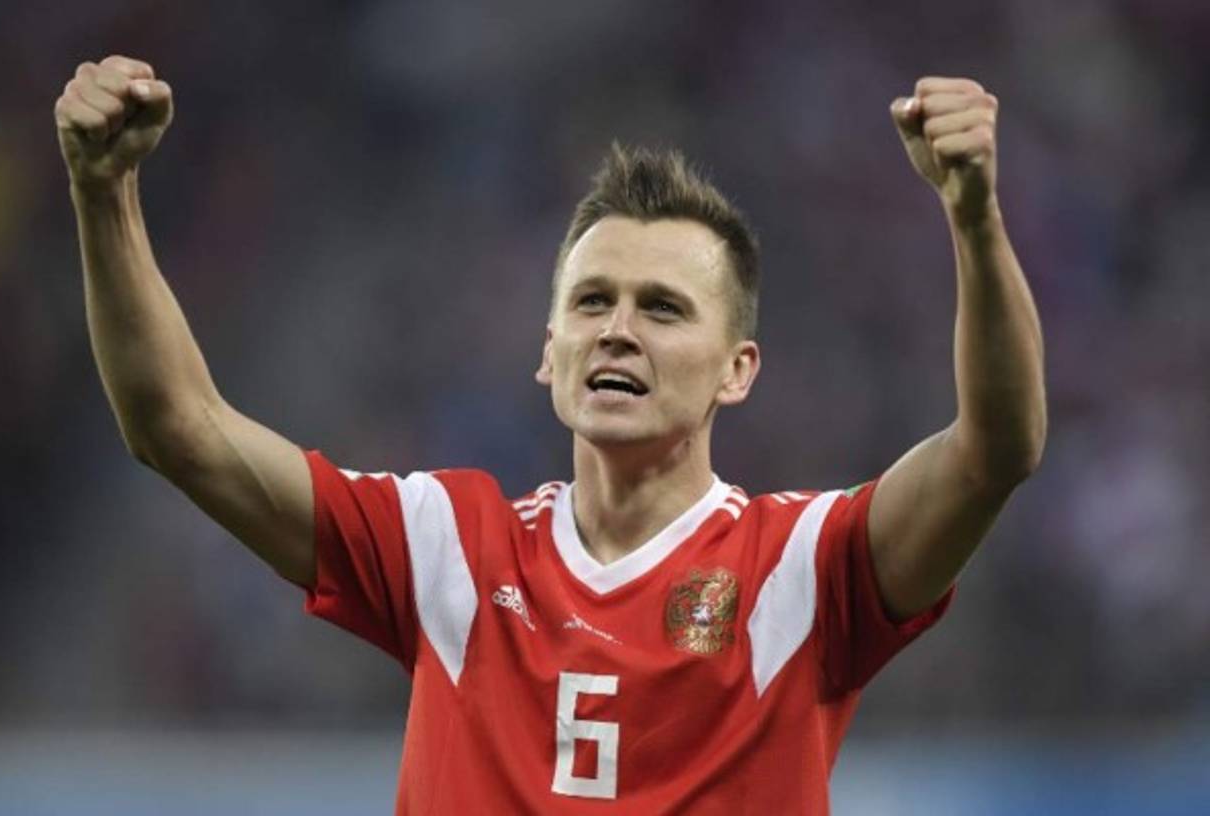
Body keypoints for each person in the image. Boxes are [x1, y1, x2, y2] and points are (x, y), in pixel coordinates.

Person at [55, 54, 1046, 814]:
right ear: (548, 351)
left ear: (737, 370)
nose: (617, 327)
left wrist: (973, 216)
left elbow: (996, 450)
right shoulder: (444, 543)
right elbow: (176, 427)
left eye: (662, 308)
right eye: (592, 302)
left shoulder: (801, 567)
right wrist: (105, 196)